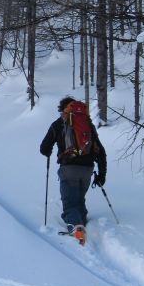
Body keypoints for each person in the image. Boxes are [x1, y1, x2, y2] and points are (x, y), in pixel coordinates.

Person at [39, 96, 107, 235]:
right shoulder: (87, 124)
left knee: (70, 203)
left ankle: (77, 228)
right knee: (79, 199)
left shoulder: (58, 123)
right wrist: (101, 175)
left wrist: (50, 151)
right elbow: (101, 151)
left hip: (68, 168)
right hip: (87, 169)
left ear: (63, 109)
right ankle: (83, 224)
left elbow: (44, 148)